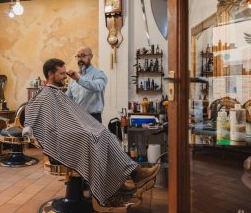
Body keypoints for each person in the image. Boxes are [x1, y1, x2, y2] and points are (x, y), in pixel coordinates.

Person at [24, 58, 159, 205]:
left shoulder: (62, 91)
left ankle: (126, 179)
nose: (65, 76)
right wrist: (28, 128)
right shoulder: (44, 94)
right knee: (92, 138)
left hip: (71, 132)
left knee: (106, 135)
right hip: (60, 142)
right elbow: (30, 112)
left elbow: (69, 111)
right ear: (50, 74)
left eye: (64, 73)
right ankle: (118, 185)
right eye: (61, 73)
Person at [66, 47, 107, 123]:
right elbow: (68, 98)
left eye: (83, 55)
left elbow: (98, 86)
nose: (80, 59)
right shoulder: (74, 78)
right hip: (77, 118)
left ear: (91, 57)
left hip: (93, 118)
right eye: (78, 56)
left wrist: (79, 79)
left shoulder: (98, 74)